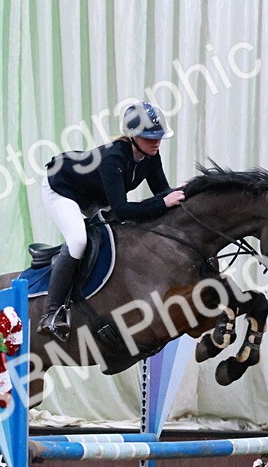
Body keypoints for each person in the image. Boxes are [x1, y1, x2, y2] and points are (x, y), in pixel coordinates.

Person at [37, 101, 185, 340]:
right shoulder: (113, 158)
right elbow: (123, 209)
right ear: (133, 137)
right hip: (62, 189)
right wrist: (164, 201)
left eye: (158, 136)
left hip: (94, 196)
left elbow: (162, 192)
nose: (156, 141)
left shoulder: (150, 155)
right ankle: (51, 314)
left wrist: (185, 193)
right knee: (77, 241)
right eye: (149, 137)